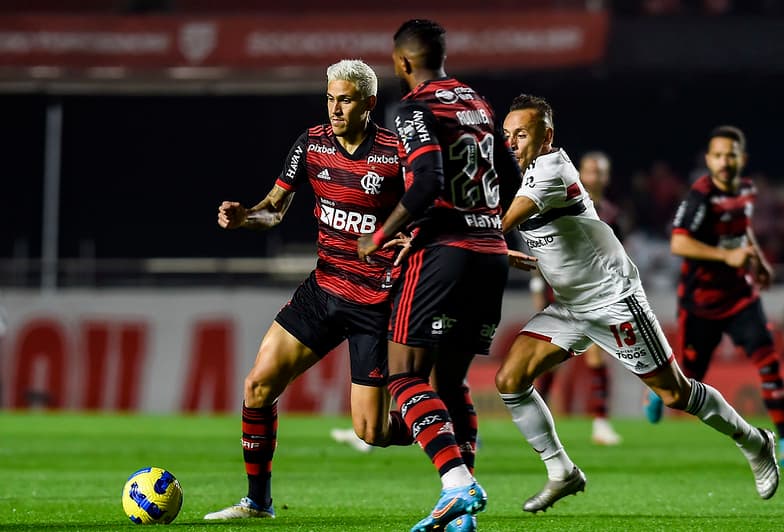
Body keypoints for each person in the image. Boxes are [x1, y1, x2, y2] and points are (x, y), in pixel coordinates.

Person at [496, 95, 779, 515]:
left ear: (547, 135)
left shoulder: (552, 170)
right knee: (510, 379)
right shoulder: (531, 170)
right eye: (507, 136)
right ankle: (562, 471)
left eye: (521, 134)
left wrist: (464, 240)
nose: (513, 143)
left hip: (613, 299)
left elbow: (501, 224)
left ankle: (754, 441)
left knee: (675, 393)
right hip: (572, 305)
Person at [204, 59, 414, 521]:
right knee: (258, 385)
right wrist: (246, 218)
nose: (335, 109)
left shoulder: (396, 153)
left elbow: (428, 214)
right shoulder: (311, 144)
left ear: (369, 104)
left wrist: (413, 238)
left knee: (373, 433)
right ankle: (258, 503)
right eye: (331, 98)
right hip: (321, 292)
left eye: (346, 99)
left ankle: (434, 425)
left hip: (376, 304)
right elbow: (273, 210)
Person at [357, 19, 523, 532]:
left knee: (403, 373)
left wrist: (382, 235)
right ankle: (461, 515)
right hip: (490, 249)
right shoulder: (478, 103)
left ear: (403, 62)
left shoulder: (413, 107)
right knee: (449, 381)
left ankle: (457, 484)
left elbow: (428, 179)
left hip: (445, 254)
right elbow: (499, 178)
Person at [644, 125, 784, 467]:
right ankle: (658, 389)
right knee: (688, 384)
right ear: (709, 160)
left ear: (741, 158)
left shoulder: (745, 189)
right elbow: (678, 243)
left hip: (741, 297)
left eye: (731, 154)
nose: (724, 161)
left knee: (769, 363)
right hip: (701, 303)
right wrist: (725, 256)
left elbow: (742, 231)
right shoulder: (700, 196)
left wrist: (757, 261)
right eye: (718, 155)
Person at [526, 151, 623, 446]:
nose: (594, 176)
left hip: (595, 295)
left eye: (599, 171)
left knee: (596, 356)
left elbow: (616, 256)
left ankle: (601, 423)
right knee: (546, 362)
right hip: (560, 293)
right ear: (580, 173)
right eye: (589, 170)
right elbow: (543, 247)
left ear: (606, 178)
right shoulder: (561, 201)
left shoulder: (613, 216)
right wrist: (536, 287)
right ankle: (537, 419)